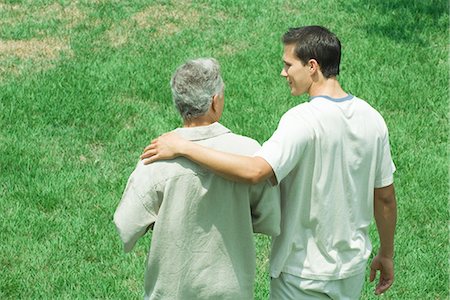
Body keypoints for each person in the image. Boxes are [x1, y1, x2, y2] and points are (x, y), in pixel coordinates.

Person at [141, 26, 397, 299]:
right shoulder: (373, 119)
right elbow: (384, 198)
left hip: (302, 275)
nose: (283, 72)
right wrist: (386, 253)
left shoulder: (302, 120)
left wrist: (185, 147)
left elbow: (255, 171)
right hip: (351, 270)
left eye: (288, 65)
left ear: (312, 67)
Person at [113, 58, 280, 300]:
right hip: (231, 290)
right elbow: (269, 218)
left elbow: (126, 225)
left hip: (172, 291)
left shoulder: (155, 157)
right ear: (215, 101)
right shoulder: (249, 153)